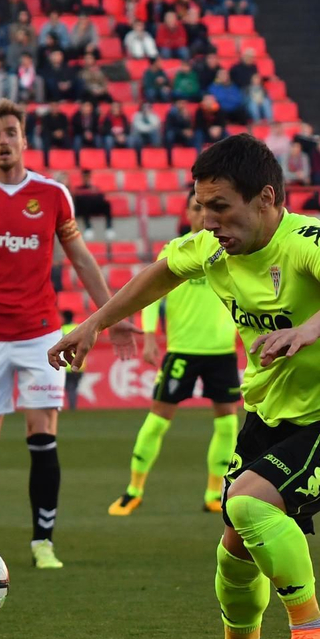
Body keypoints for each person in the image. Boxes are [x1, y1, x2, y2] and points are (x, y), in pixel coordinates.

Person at [49, 134, 320, 639]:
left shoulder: (306, 241)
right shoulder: (210, 247)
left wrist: (309, 329)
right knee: (234, 546)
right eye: (201, 206)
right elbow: (160, 272)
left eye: (221, 207)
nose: (207, 220)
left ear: (266, 199)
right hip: (269, 418)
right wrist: (94, 324)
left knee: (249, 503)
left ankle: (312, 628)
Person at [0, 99, 135, 570]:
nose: (3, 141)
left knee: (43, 435)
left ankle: (42, 542)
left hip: (41, 336)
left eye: (11, 132)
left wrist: (110, 315)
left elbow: (81, 259)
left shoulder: (52, 195)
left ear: (24, 139)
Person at [108, 192, 241, 517]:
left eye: (209, 208)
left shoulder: (230, 250)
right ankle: (133, 490)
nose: (203, 214)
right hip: (182, 351)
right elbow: (152, 294)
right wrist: (151, 336)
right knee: (157, 421)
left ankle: (215, 492)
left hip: (222, 351)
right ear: (187, 214)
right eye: (197, 208)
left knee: (227, 426)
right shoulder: (176, 250)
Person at [58, 309, 84, 411]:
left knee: (68, 387)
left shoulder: (61, 329)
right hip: (79, 364)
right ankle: (72, 406)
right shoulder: (79, 328)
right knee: (74, 387)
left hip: (65, 365)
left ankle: (68, 407)